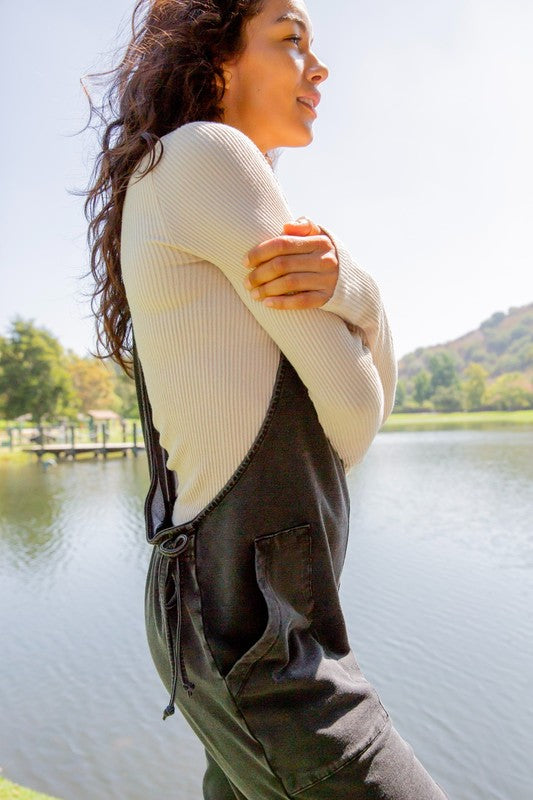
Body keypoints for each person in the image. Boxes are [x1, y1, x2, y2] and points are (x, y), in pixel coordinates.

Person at [84, 1, 449, 797]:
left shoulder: (181, 170)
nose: (319, 67)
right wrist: (361, 304)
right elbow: (356, 414)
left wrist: (359, 290)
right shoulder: (208, 153)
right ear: (217, 61)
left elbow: (354, 413)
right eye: (290, 40)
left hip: (232, 622)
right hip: (254, 635)